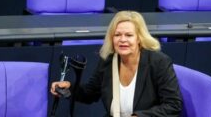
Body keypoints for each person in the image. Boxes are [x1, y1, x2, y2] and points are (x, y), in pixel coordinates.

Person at [50, 11, 182, 117]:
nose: (122, 40)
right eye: (117, 35)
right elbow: (90, 93)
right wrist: (68, 88)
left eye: (129, 35)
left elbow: (173, 105)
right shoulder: (108, 61)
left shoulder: (158, 62)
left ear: (139, 38)